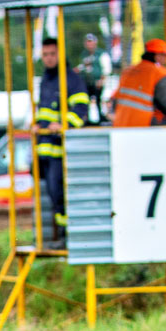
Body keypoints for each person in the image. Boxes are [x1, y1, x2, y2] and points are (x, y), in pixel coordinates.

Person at [35, 35, 88, 244]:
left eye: (52, 54)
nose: (48, 58)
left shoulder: (71, 79)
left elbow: (81, 107)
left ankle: (68, 237)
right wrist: (37, 124)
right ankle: (63, 236)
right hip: (46, 150)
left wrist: (64, 125)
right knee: (53, 194)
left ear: (60, 54)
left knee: (61, 194)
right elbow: (44, 111)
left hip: (63, 149)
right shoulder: (45, 80)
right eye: (45, 54)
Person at [111, 39, 166, 128]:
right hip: (145, 128)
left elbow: (115, 101)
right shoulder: (159, 74)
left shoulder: (127, 72)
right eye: (165, 56)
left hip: (121, 126)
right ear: (158, 56)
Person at [77, 32, 112, 123]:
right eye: (88, 42)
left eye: (91, 41)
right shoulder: (84, 54)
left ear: (95, 42)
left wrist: (102, 80)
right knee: (86, 100)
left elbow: (106, 68)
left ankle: (101, 117)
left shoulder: (101, 54)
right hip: (87, 82)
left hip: (97, 82)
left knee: (99, 99)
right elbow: (83, 67)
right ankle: (87, 118)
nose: (89, 44)